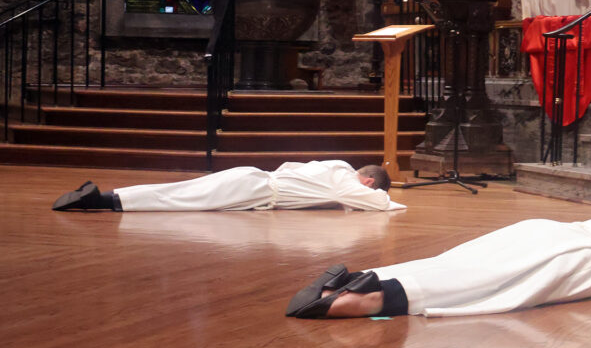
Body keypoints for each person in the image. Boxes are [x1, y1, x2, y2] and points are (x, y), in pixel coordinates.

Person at [285, 216, 591, 319]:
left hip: (548, 231)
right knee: (478, 285)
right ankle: (362, 300)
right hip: (578, 261)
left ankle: (353, 278)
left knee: (460, 263)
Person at [51, 161, 403, 212]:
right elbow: (371, 202)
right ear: (369, 180)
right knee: (185, 199)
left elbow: (288, 167)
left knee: (184, 191)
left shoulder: (332, 165)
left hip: (257, 177)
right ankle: (103, 201)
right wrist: (389, 200)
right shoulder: (346, 179)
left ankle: (109, 197)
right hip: (258, 190)